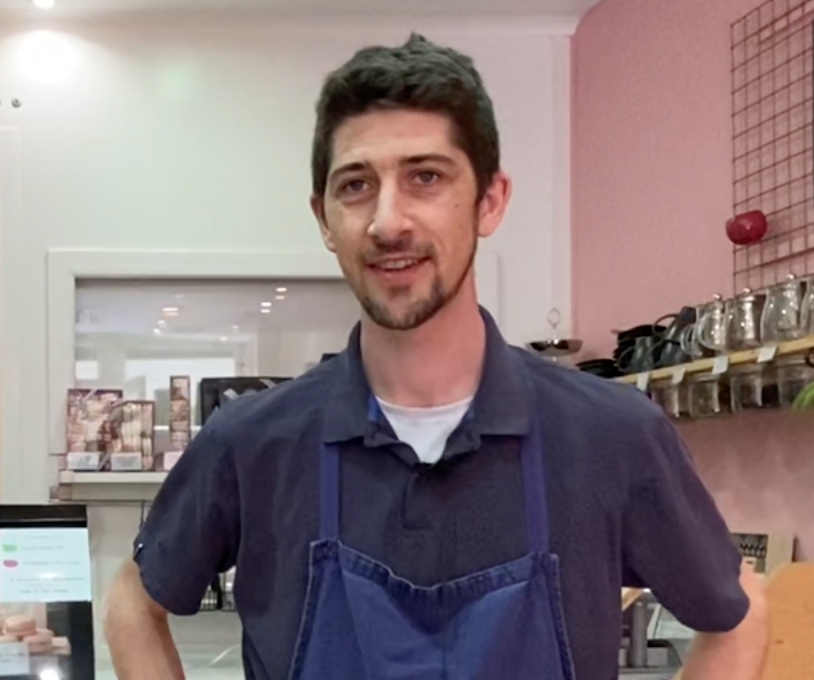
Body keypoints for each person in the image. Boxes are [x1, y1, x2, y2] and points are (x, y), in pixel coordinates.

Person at [105, 34, 768, 680]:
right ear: (323, 219)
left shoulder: (611, 435)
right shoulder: (252, 444)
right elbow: (134, 603)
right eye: (356, 185)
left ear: (490, 199)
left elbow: (738, 614)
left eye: (425, 177)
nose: (388, 221)